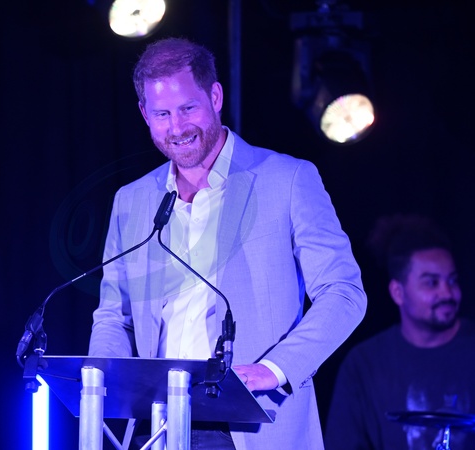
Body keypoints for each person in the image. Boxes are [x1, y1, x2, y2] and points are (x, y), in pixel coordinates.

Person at [87, 37, 367, 449]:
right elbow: (115, 316)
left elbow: (343, 293)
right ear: (145, 113)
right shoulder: (132, 200)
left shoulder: (287, 179)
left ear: (215, 96)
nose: (177, 128)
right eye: (162, 114)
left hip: (249, 424)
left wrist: (274, 370)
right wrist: (100, 384)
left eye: (188, 108)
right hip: (156, 426)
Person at [324, 214, 475, 450]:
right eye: (431, 282)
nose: (447, 293)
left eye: (452, 281)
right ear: (398, 292)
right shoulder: (364, 364)